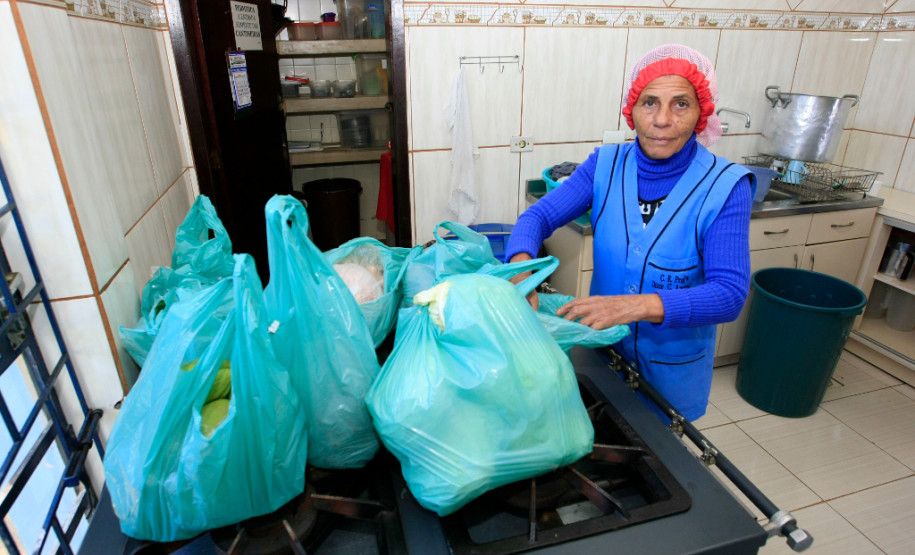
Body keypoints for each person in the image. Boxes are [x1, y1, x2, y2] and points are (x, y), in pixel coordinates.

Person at [505, 44, 756, 421]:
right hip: (602, 354)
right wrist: (521, 270)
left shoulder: (726, 186)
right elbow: (535, 218)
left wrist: (632, 306)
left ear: (702, 112)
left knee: (660, 460)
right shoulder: (604, 165)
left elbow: (728, 296)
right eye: (650, 102)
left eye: (681, 104)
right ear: (632, 110)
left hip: (671, 371)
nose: (662, 119)